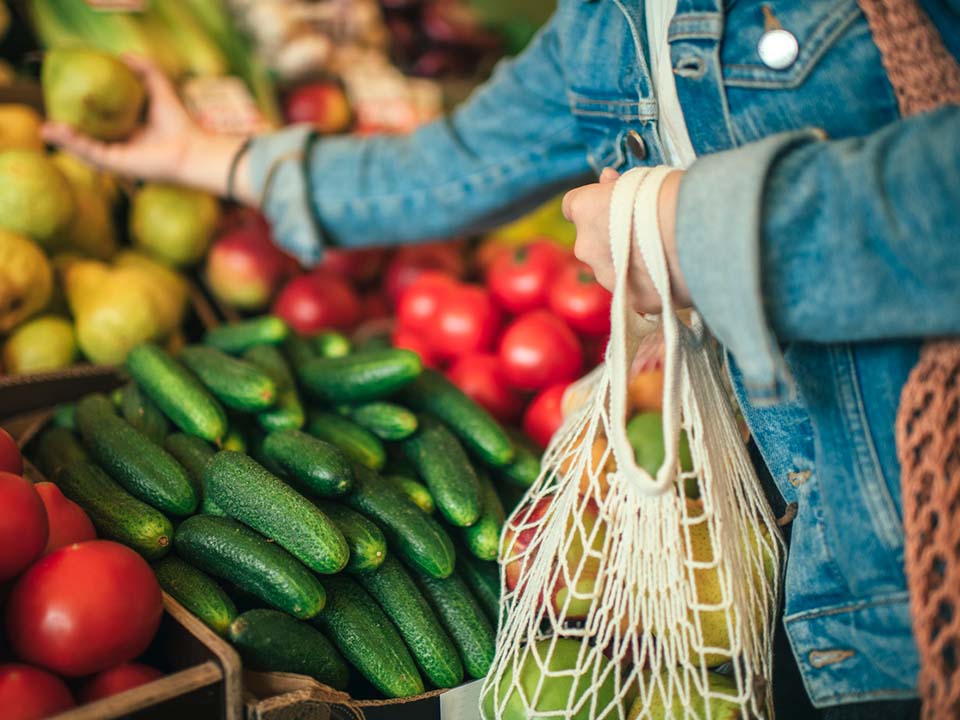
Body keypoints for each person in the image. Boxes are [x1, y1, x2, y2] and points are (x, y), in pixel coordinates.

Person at [45, 1, 960, 716]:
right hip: (797, 575)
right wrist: (203, 156)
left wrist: (698, 231)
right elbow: (454, 165)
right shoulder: (607, 21)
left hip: (917, 569)